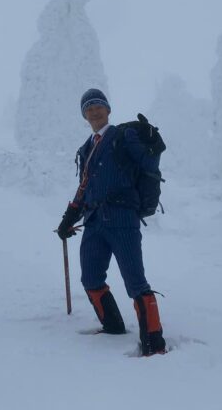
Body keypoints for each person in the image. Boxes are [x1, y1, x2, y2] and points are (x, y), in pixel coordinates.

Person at [56, 88, 166, 356]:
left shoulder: (123, 135)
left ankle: (154, 342)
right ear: (84, 114)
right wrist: (70, 217)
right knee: (91, 277)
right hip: (94, 222)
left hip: (122, 219)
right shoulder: (86, 148)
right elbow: (85, 187)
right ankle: (113, 326)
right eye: (89, 107)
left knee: (135, 282)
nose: (94, 111)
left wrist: (153, 142)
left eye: (98, 106)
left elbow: (149, 159)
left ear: (108, 110)